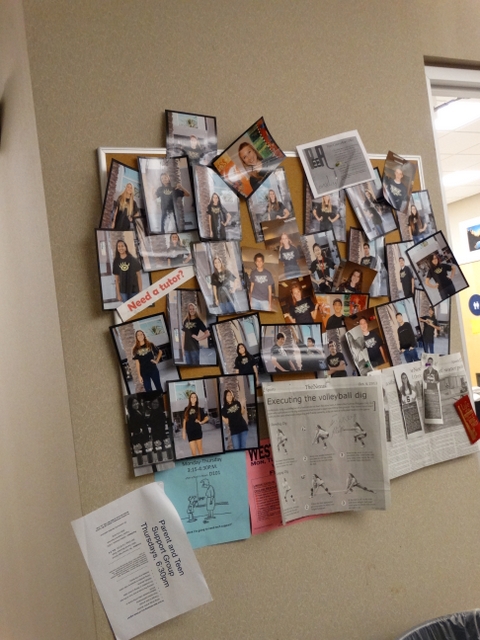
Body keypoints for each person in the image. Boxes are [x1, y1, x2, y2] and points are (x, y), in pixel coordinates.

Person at [182, 392, 209, 457]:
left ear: (196, 399)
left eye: (195, 397)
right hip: (190, 432)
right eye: (192, 397)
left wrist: (201, 422)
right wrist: (183, 432)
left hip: (197, 431)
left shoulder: (199, 409)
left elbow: (207, 417)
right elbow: (184, 420)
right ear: (190, 399)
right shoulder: (186, 409)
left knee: (200, 450)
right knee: (193, 453)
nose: (193, 398)